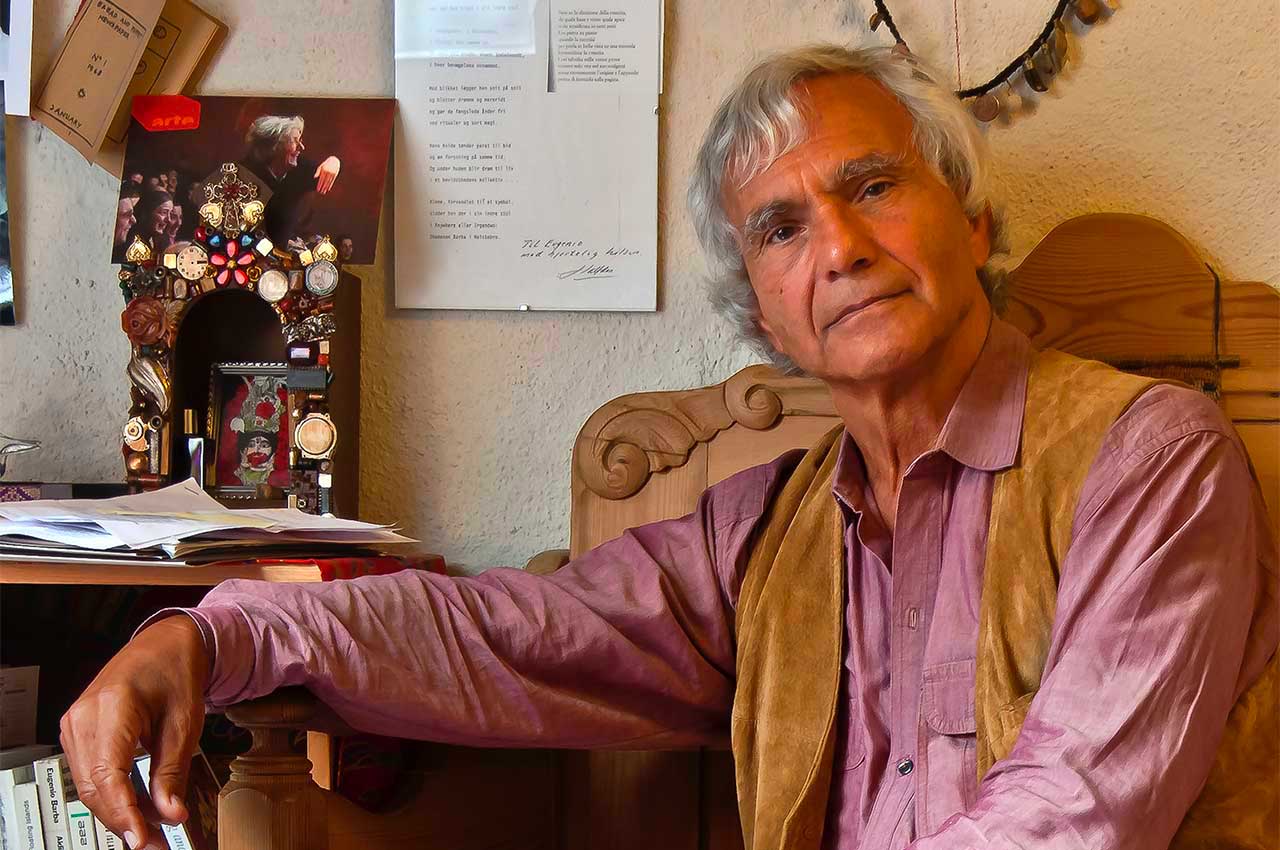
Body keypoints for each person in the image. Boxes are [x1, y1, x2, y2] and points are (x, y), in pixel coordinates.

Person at [62, 45, 1276, 850]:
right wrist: (206, 635)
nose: (840, 246)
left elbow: (1074, 810)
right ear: (762, 315)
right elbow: (508, 632)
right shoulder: (762, 536)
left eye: (872, 185)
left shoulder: (1148, 460)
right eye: (781, 228)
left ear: (971, 224)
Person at [240, 114, 341, 251]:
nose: (302, 147)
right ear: (275, 145)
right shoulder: (243, 174)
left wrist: (334, 161)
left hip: (282, 257)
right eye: (295, 141)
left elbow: (329, 171)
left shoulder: (300, 169)